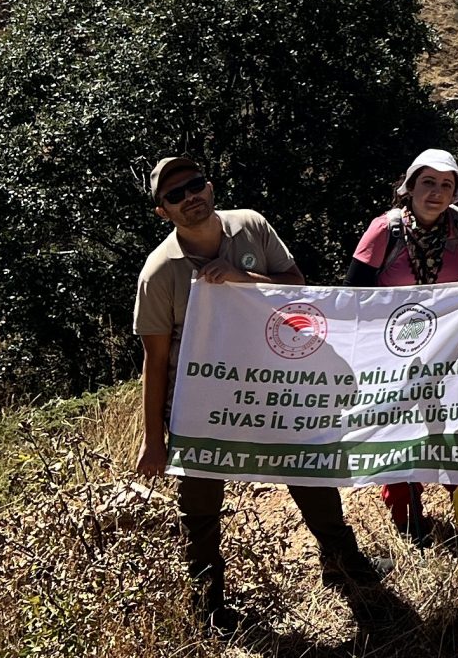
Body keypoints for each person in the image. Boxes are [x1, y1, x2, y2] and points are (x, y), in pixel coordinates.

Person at [132, 156, 389, 633]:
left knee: (310, 474)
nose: (190, 197)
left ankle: (343, 563)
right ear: (162, 211)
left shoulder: (251, 225)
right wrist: (154, 440)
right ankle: (209, 604)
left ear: (210, 186)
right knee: (200, 508)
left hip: (274, 390)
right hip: (200, 409)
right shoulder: (159, 272)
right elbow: (155, 360)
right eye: (175, 195)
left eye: (195, 184)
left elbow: (298, 288)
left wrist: (242, 279)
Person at [346, 149, 458, 547]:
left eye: (446, 185)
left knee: (448, 421)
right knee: (398, 431)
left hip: (447, 350)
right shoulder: (385, 230)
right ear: (410, 187)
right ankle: (407, 513)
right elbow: (354, 292)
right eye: (428, 182)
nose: (436, 192)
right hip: (391, 353)